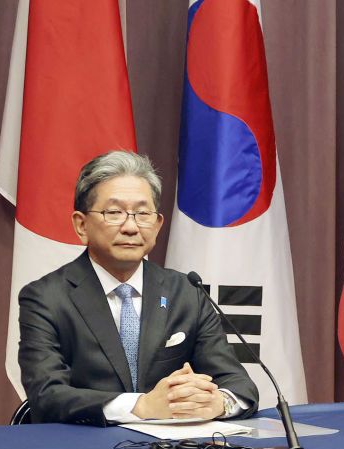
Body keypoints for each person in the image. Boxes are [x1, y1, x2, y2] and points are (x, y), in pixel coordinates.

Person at [18, 151, 259, 425]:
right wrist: (141, 406)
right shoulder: (45, 297)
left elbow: (238, 382)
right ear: (81, 224)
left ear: (157, 225)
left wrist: (216, 402)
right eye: (114, 213)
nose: (131, 227)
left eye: (143, 214)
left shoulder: (187, 291)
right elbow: (46, 395)